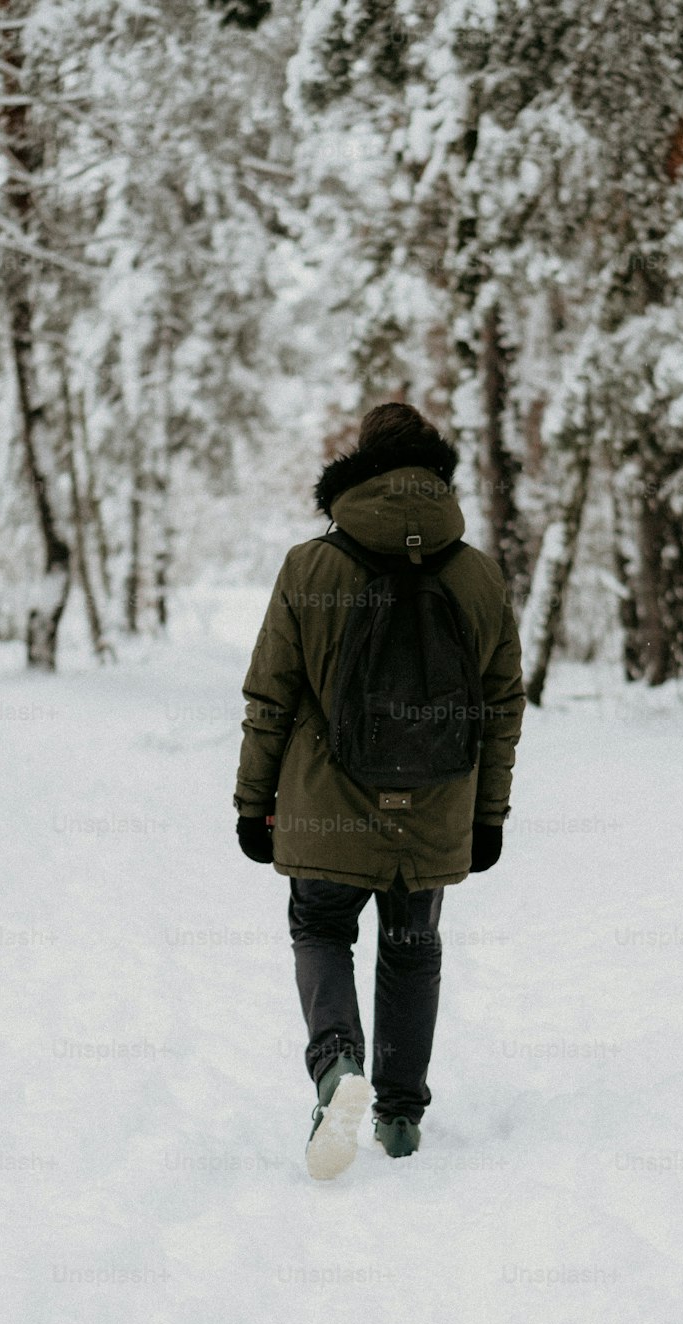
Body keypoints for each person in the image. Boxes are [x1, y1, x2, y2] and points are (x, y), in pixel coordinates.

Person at [233, 402, 525, 1179]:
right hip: (433, 805)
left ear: (362, 467)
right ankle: (399, 1117)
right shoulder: (477, 574)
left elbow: (271, 697)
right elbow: (502, 706)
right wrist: (488, 814)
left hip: (326, 804)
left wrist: (251, 801)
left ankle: (337, 1068)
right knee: (412, 944)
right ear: (436, 472)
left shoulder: (310, 565)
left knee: (322, 930)